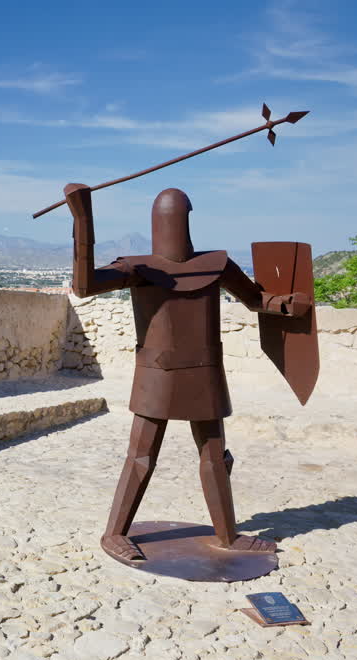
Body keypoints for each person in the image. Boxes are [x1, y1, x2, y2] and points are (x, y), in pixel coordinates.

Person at [63, 183, 311, 562]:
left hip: (205, 370)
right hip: (157, 374)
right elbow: (83, 287)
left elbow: (255, 299)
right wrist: (83, 221)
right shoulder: (139, 267)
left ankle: (227, 535)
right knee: (141, 456)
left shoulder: (217, 264)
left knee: (214, 456)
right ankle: (115, 533)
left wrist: (285, 306)